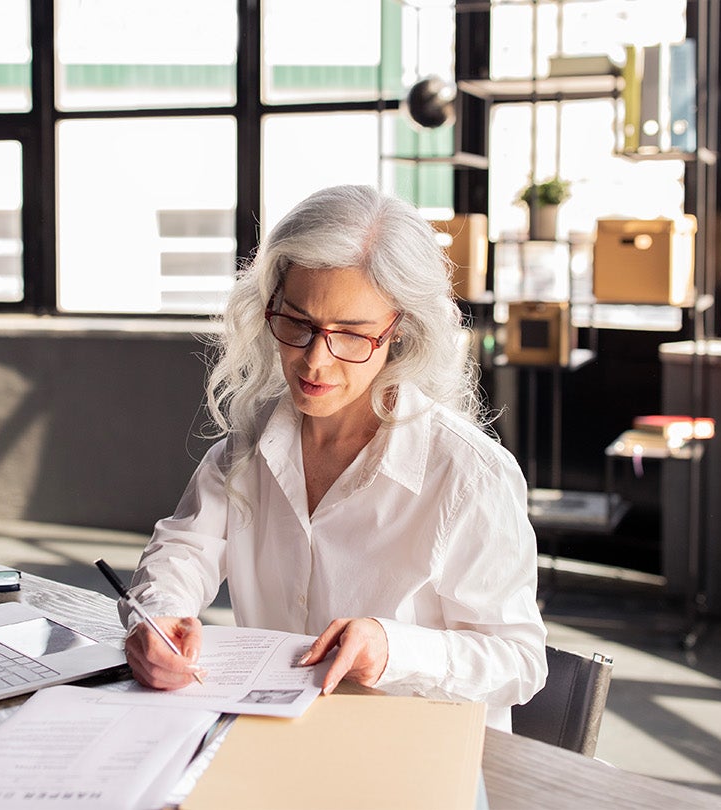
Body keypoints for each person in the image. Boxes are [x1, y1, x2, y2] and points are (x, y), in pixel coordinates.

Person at [122, 184, 547, 730]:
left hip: (418, 754)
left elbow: (519, 661)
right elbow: (185, 547)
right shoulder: (255, 440)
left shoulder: (468, 474)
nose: (315, 362)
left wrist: (391, 649)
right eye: (297, 324)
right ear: (269, 305)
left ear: (400, 331)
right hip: (279, 736)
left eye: (350, 334)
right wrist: (158, 617)